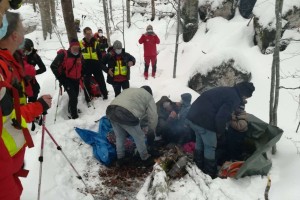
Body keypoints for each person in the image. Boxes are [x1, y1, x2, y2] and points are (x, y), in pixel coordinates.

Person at [0, 11, 52, 200]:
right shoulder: (2, 67)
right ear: (15, 35)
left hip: (9, 161)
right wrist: (38, 107)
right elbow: (8, 115)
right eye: (22, 29)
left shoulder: (10, 61)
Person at [186, 81, 255, 178]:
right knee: (210, 146)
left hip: (192, 116)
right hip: (204, 121)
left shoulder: (228, 90)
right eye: (246, 97)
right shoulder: (234, 98)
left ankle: (199, 165)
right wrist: (220, 132)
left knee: (200, 141)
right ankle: (209, 173)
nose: (245, 99)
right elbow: (220, 117)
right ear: (244, 94)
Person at [106, 86, 158, 167]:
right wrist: (151, 131)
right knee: (139, 136)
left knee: (119, 136)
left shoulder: (131, 90)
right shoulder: (148, 96)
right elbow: (153, 116)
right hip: (125, 113)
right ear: (150, 93)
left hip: (111, 110)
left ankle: (120, 159)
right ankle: (145, 158)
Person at [50, 39, 83, 119]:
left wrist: (82, 75)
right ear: (70, 47)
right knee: (73, 96)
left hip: (76, 79)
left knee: (75, 95)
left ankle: (72, 109)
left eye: (77, 48)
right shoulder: (63, 55)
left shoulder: (80, 55)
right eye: (74, 48)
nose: (76, 50)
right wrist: (60, 78)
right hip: (66, 79)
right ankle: (74, 115)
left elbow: (82, 66)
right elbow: (53, 66)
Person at [79, 27, 108, 103]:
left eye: (90, 33)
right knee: (86, 82)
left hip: (96, 64)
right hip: (86, 65)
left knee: (101, 80)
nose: (89, 35)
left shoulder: (96, 42)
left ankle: (105, 95)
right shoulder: (81, 43)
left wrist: (99, 62)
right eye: (87, 34)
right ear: (84, 34)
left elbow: (99, 54)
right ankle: (88, 98)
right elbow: (79, 55)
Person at [21, 38, 46, 102]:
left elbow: (43, 68)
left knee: (34, 93)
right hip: (20, 80)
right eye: (24, 50)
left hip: (31, 80)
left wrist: (33, 73)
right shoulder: (19, 55)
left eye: (28, 50)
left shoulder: (34, 56)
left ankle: (33, 107)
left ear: (31, 49)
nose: (26, 52)